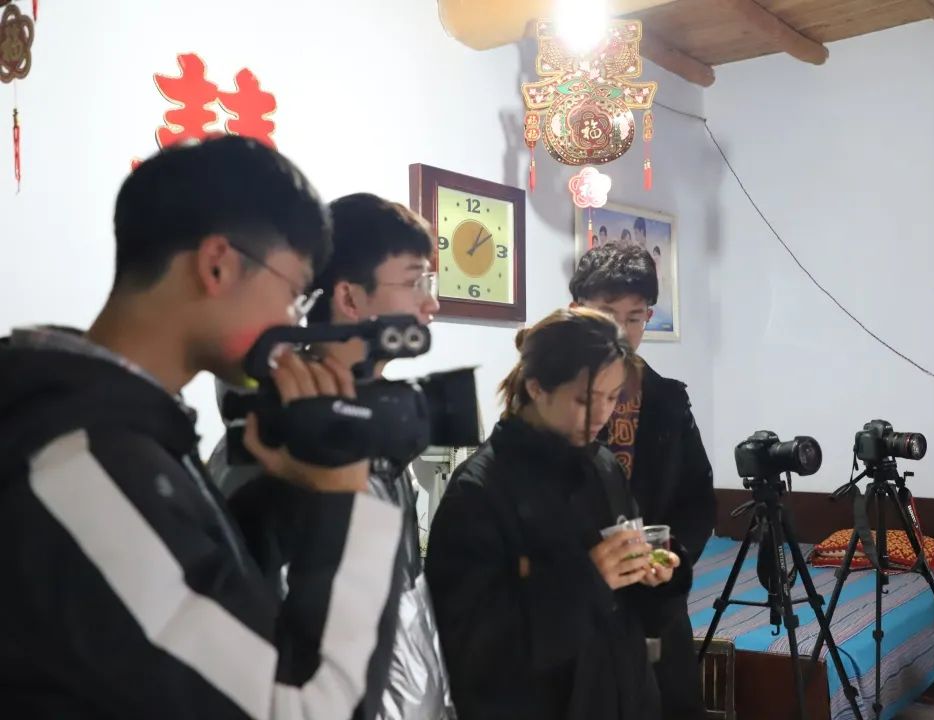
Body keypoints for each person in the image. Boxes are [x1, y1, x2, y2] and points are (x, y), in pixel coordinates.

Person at [0, 137, 403, 719]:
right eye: (294, 293)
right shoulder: (78, 465)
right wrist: (345, 496)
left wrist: (290, 494)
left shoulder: (119, 431)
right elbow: (309, 708)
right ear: (218, 265)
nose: (293, 321)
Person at [215, 193, 452, 720]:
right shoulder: (273, 441)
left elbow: (402, 604)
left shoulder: (376, 425)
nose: (430, 304)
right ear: (349, 298)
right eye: (415, 282)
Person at [426, 307, 688, 720]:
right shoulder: (479, 491)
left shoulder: (602, 466)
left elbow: (632, 611)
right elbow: (470, 646)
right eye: (585, 399)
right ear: (537, 387)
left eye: (612, 397)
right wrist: (589, 579)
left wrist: (656, 576)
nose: (601, 414)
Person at [569, 243, 715, 720]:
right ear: (576, 311)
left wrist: (672, 557)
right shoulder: (551, 399)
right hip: (574, 600)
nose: (621, 331)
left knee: (671, 704)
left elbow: (697, 499)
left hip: (655, 596)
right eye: (606, 315)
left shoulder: (667, 400)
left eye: (634, 318)